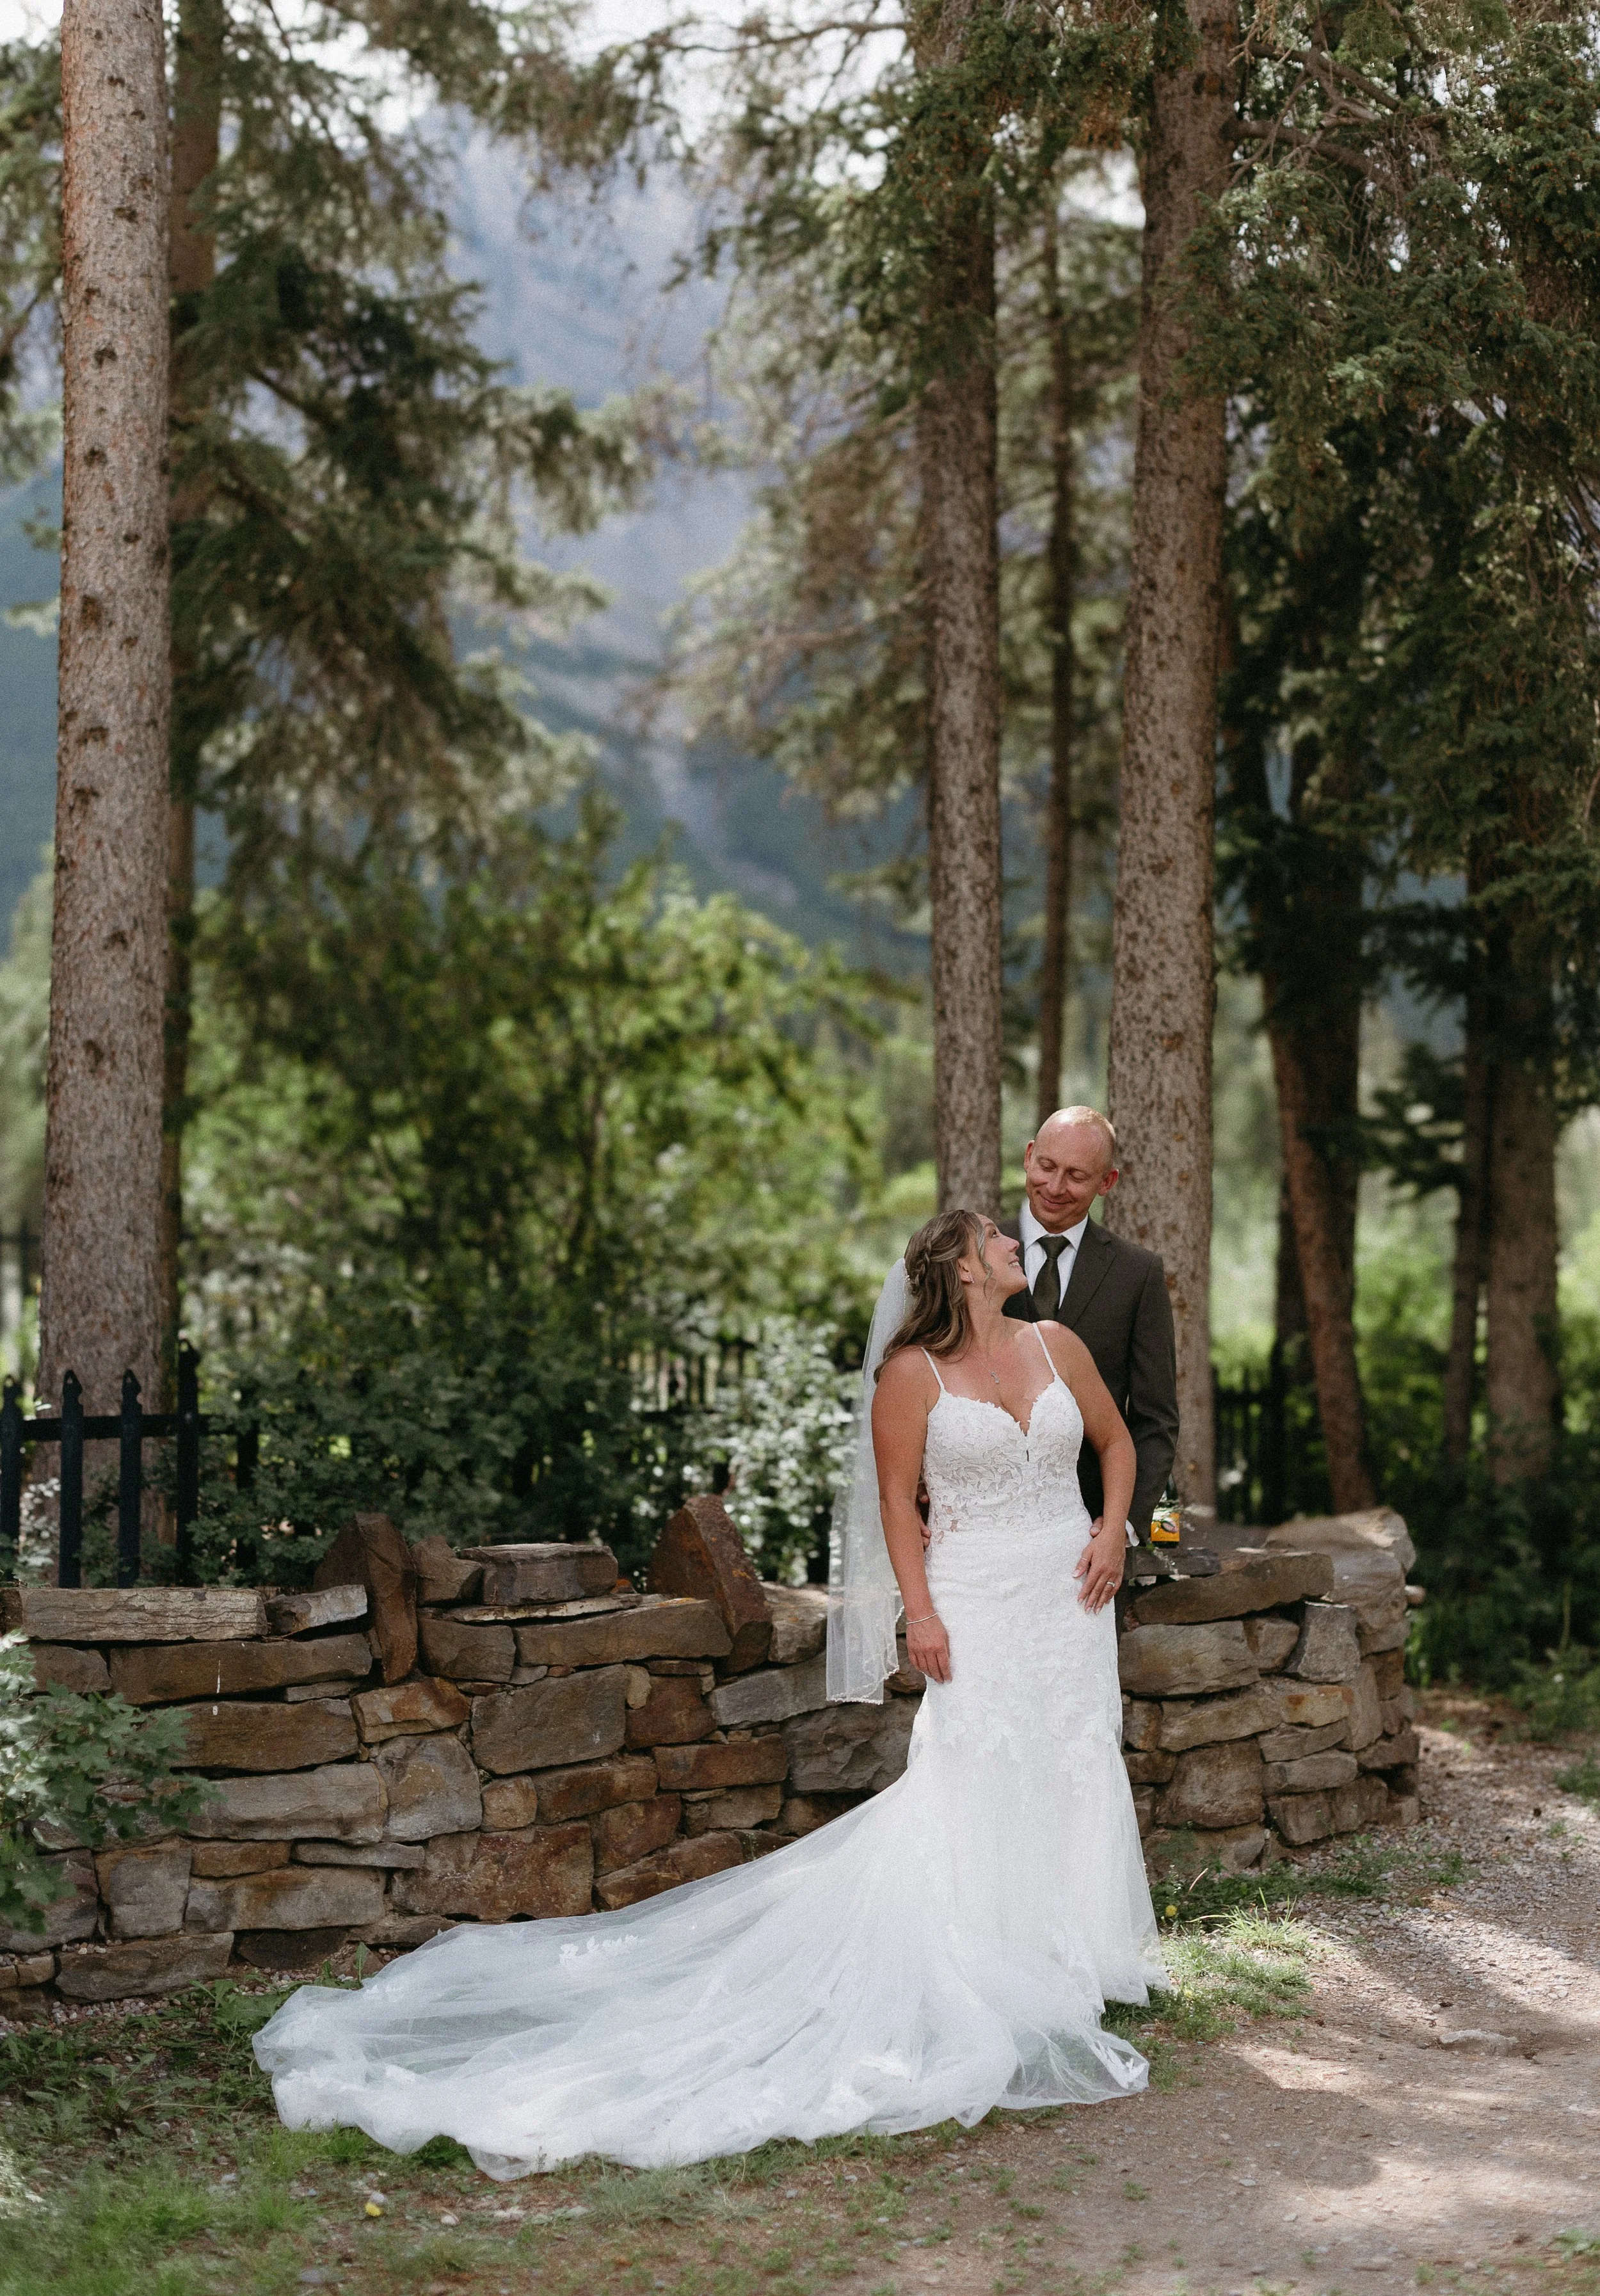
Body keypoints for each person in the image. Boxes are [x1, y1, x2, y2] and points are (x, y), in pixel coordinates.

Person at [253, 1210, 1164, 2176]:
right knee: (981, 1762)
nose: (1017, 1242)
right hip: (977, 1599)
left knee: (1073, 1750)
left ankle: (1080, 1948)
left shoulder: (1058, 1342)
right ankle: (991, 1950)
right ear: (962, 1266)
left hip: (1069, 1595)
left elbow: (1117, 1443)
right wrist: (921, 1611)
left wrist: (1114, 1532)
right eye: (998, 1235)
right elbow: (899, 1499)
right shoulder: (911, 1376)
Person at [1000, 1106, 1179, 1545]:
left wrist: (1126, 1527)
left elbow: (1156, 1419)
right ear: (1028, 1156)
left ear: (1107, 1182)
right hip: (985, 1521)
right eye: (1046, 1166)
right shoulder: (969, 1256)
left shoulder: (1138, 1273)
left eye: (1077, 1176)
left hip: (1091, 1529)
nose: (1055, 1187)